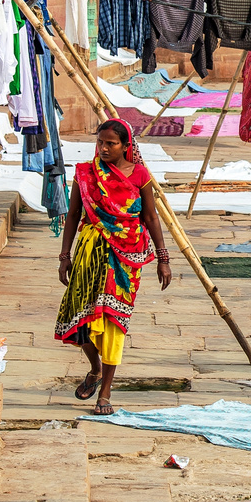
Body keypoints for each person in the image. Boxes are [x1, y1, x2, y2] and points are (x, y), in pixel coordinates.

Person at [56, 119, 172, 415]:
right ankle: (95, 367)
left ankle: (105, 391)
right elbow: (72, 216)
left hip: (126, 258)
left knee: (113, 322)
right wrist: (64, 256)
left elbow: (151, 217)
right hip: (89, 253)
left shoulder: (140, 175)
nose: (104, 149)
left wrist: (163, 258)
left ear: (126, 146)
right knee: (81, 318)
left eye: (111, 144)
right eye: (101, 143)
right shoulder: (85, 173)